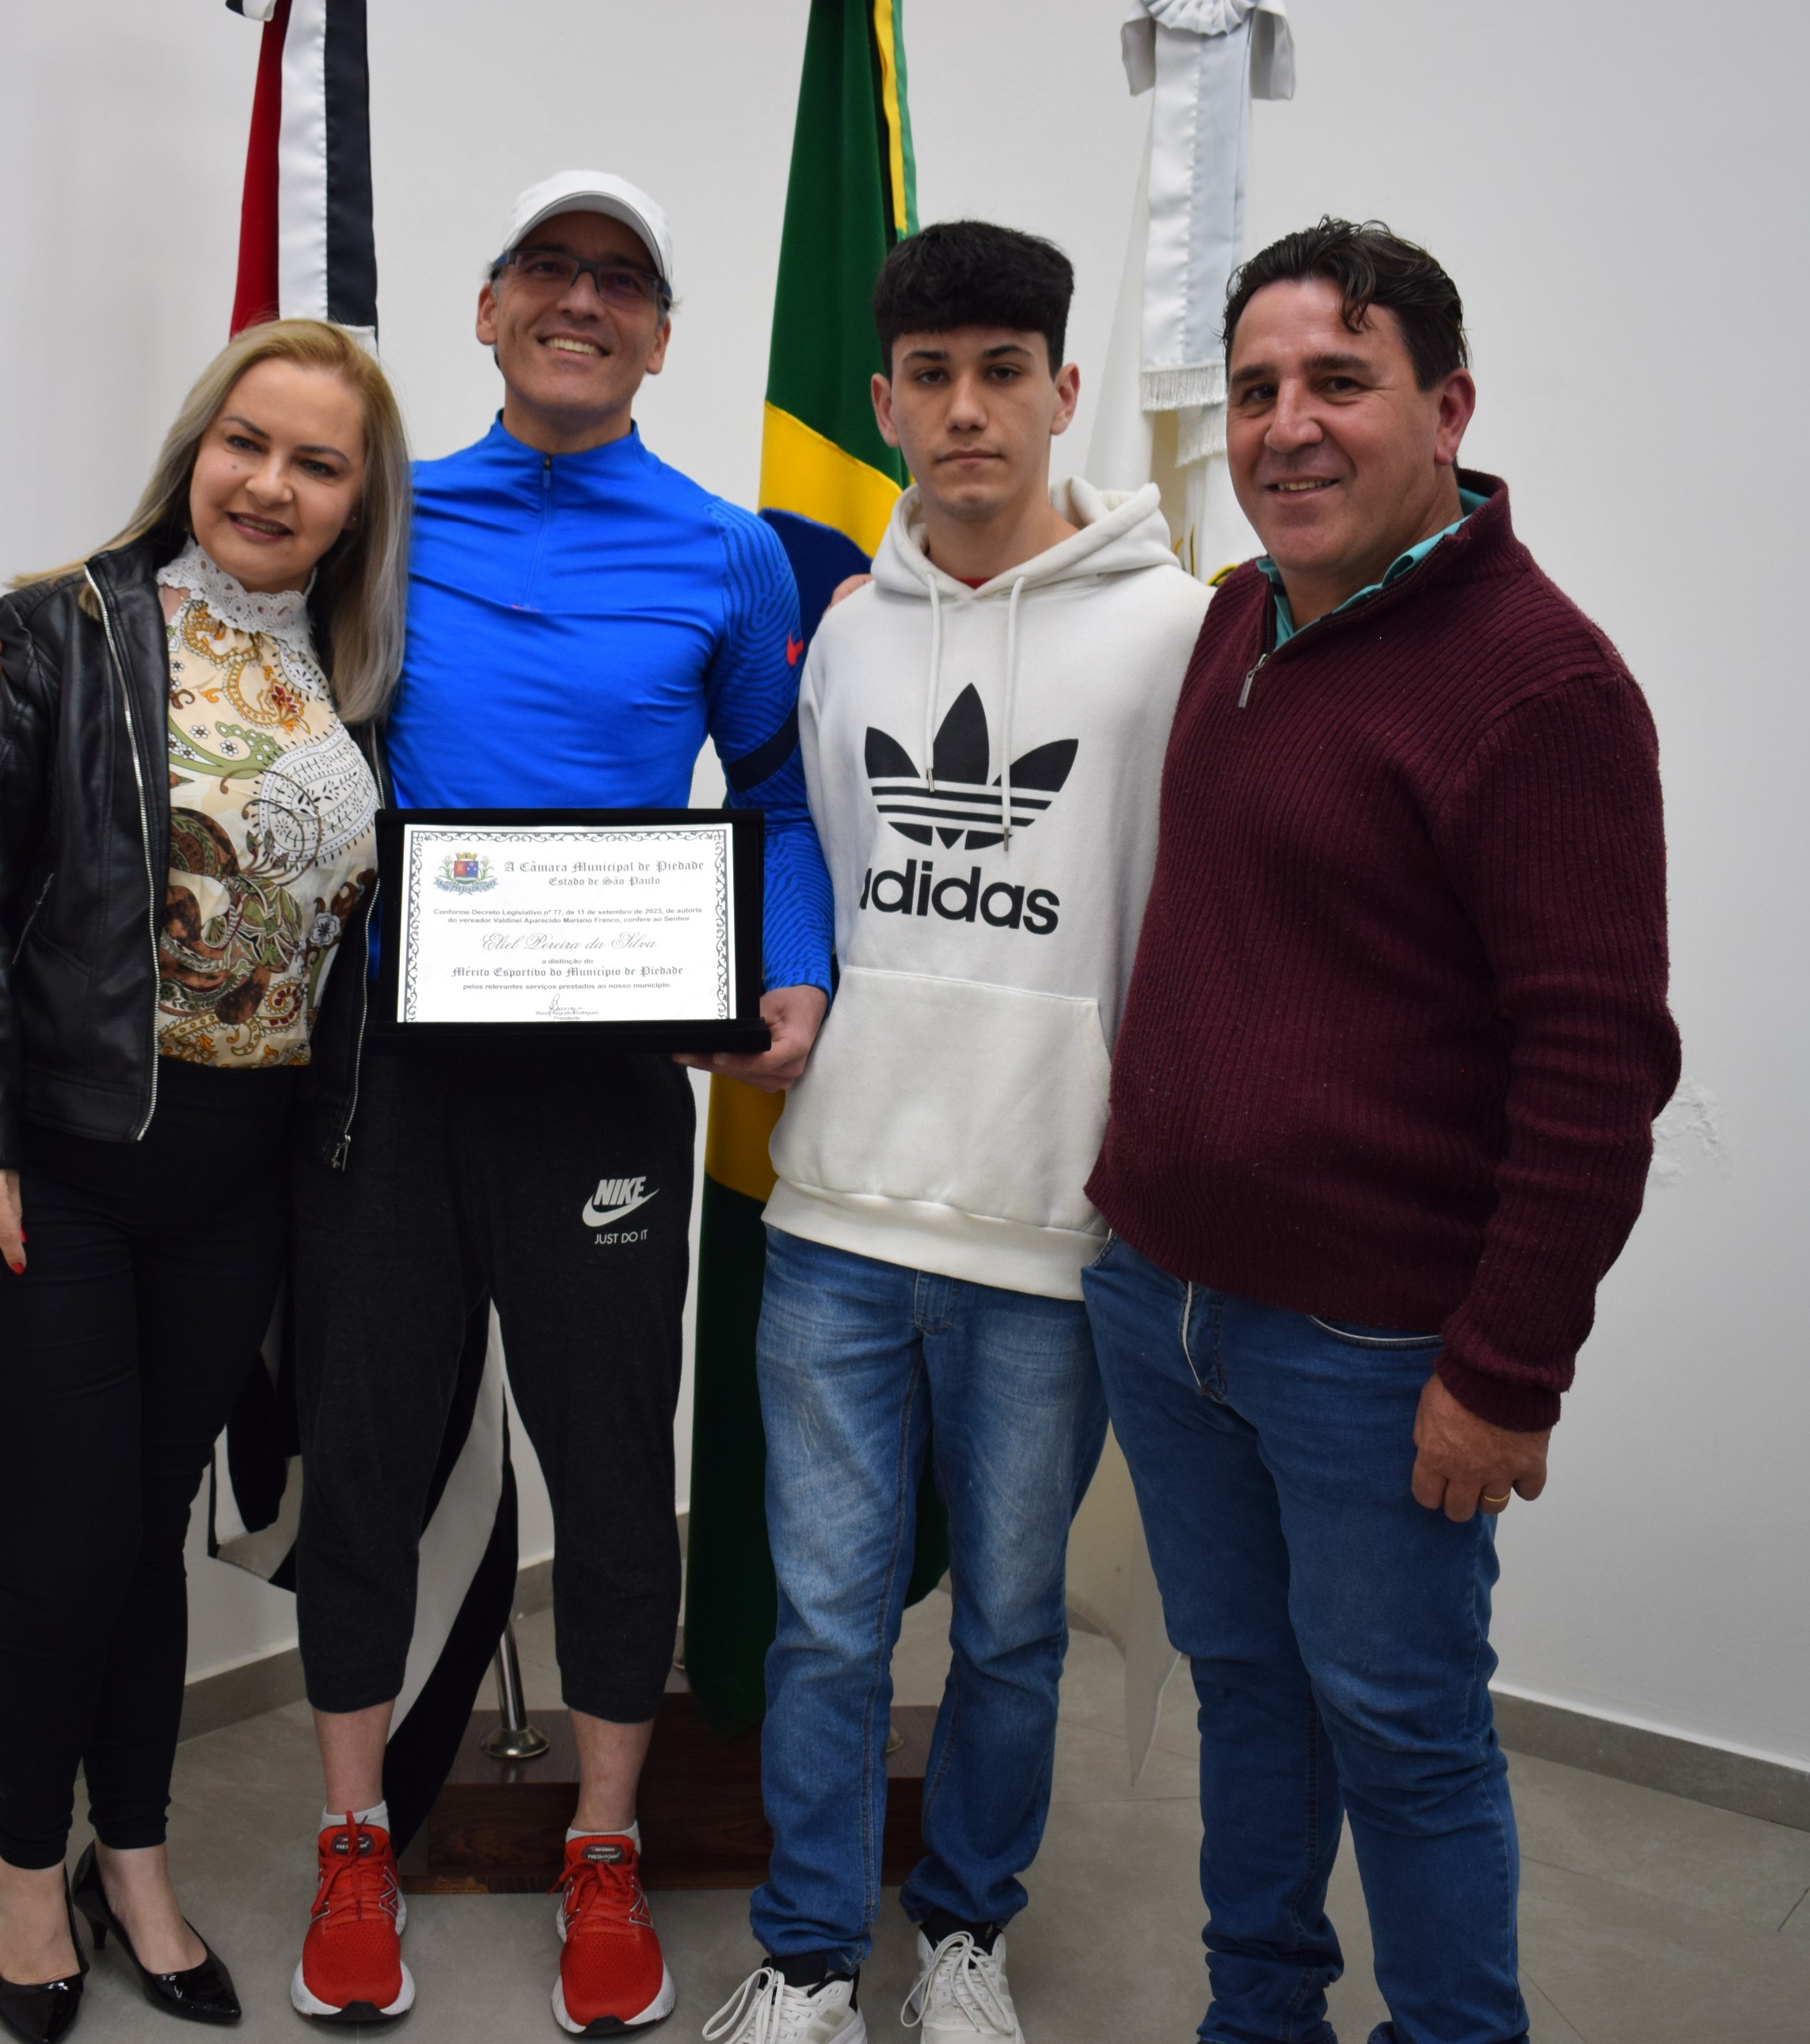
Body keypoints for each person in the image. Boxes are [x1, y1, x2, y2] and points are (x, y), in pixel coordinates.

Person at [0, 170, 833, 2035]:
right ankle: (355, 1841)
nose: (581, 301)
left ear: (662, 336)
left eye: (622, 282)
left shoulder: (734, 554)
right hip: (377, 1083)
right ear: (487, 309)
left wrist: (794, 967)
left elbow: (773, 794)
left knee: (613, 1471)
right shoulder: (387, 526)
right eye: (547, 269)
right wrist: (15, 666)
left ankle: (602, 1849)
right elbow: (210, 645)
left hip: (606, 1086)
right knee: (357, 1461)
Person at [1081, 219, 1681, 2044]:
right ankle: (1257, 2016)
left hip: (1371, 1350)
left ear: (1447, 409)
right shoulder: (1234, 623)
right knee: (1247, 1695)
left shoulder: (1541, 687)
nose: (1287, 426)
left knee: (1405, 1732)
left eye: (1338, 381)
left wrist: (1505, 1371)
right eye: (1256, 388)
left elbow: (1597, 1071)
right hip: (1163, 1303)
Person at [695, 222, 1210, 2044]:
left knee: (1005, 1626)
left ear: (1064, 390)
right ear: (884, 401)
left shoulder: (1174, 632)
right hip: (838, 1214)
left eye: (1003, 371)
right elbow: (807, 860)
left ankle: (966, 1932)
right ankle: (807, 1955)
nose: (967, 408)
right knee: (827, 1626)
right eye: (931, 376)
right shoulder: (844, 632)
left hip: (1052, 1234)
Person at [0, 317, 409, 2042]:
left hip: (235, 1188)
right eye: (245, 441)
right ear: (198, 447)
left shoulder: (366, 680)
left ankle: (135, 1855)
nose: (270, 483)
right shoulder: (54, 630)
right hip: (45, 1167)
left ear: (359, 500)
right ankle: (23, 1873)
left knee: (143, 1541)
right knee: (61, 1549)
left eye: (317, 461)